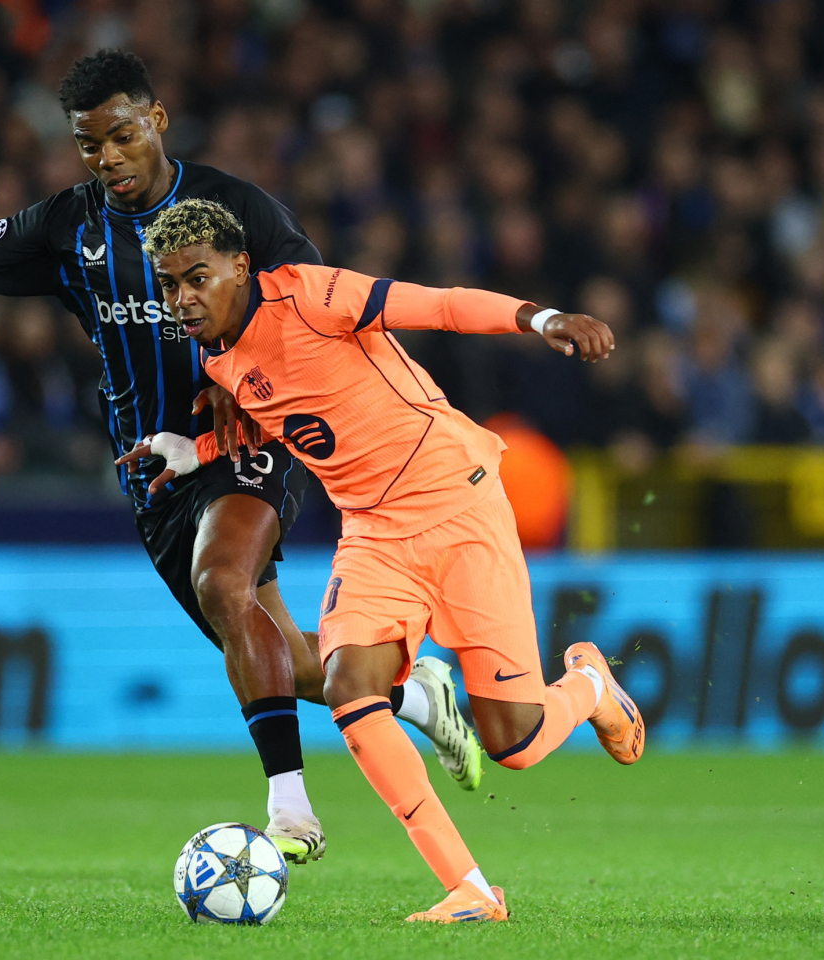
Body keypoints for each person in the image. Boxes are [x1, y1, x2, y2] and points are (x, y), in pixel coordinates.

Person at [0, 50, 478, 864]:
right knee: (274, 653)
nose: (107, 158)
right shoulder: (64, 227)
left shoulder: (236, 207)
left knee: (223, 581)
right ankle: (416, 696)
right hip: (151, 468)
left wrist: (245, 371)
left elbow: (318, 305)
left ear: (157, 121)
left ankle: (289, 809)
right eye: (89, 145)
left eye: (120, 136)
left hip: (246, 441)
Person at [123, 198, 645, 923]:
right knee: (348, 685)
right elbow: (303, 426)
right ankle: (469, 887)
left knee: (515, 742)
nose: (181, 298)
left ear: (241, 268)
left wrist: (543, 319)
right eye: (169, 284)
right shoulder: (221, 359)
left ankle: (589, 686)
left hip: (458, 502)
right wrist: (197, 451)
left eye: (197, 278)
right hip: (373, 531)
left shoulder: (312, 294)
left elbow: (443, 306)